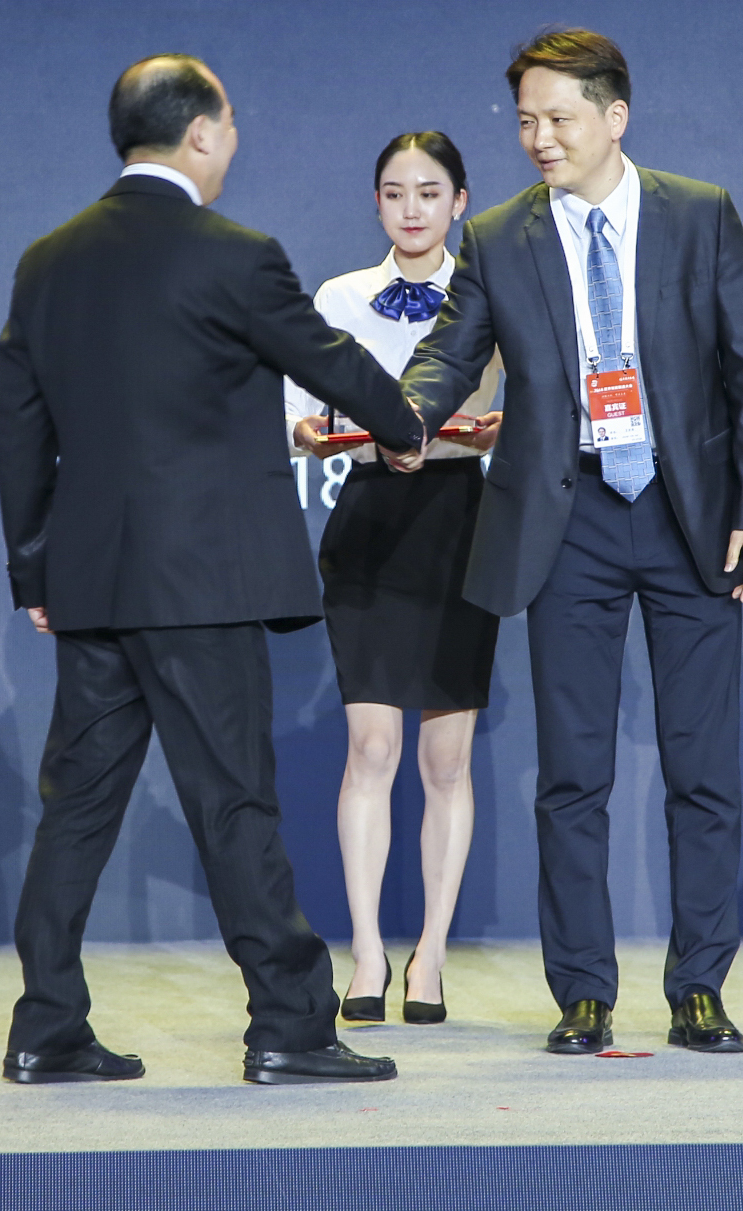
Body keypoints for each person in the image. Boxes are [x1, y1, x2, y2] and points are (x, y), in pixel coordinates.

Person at [0, 55, 424, 1087]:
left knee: (75, 807)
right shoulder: (233, 255)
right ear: (198, 132)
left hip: (94, 582)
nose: (232, 138)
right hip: (202, 583)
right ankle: (289, 1026)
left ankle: (45, 1025)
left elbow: (19, 429)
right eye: (228, 122)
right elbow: (327, 358)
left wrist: (33, 571)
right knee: (234, 802)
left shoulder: (47, 261)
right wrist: (405, 422)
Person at [398, 29, 743, 1054]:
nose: (539, 137)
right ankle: (581, 990)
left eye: (558, 117)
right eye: (526, 119)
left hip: (688, 513)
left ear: (614, 116)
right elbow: (448, 355)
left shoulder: (697, 212)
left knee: (702, 767)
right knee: (571, 773)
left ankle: (698, 986)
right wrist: (401, 414)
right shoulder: (498, 236)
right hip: (564, 517)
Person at [286, 132, 504, 1027]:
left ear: (460, 202)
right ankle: (368, 953)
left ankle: (432, 957)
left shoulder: (491, 293)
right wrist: (316, 432)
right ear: (375, 203)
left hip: (462, 524)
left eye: (428, 192)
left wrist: (497, 427)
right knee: (370, 750)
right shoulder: (339, 297)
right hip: (370, 523)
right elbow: (299, 416)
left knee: (446, 759)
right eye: (392, 192)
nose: (410, 209)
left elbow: (528, 406)